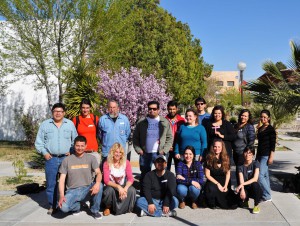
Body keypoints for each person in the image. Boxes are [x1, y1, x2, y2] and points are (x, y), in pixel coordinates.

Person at [35, 103, 77, 215]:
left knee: (68, 183)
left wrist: (72, 151)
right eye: (55, 111)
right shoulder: (45, 125)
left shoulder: (70, 124)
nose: (58, 113)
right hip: (51, 159)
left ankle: (67, 205)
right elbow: (39, 142)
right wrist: (44, 153)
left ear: (64, 113)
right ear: (52, 112)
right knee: (51, 184)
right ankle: (52, 206)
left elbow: (75, 140)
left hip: (66, 159)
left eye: (60, 111)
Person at [58, 136, 103, 219]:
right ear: (74, 146)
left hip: (87, 189)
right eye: (77, 145)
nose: (80, 148)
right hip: (72, 191)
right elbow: (62, 180)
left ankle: (94, 211)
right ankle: (77, 207)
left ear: (86, 146)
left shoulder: (91, 158)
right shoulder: (67, 160)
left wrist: (97, 183)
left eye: (82, 146)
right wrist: (61, 195)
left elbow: (99, 173)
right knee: (63, 207)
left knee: (99, 186)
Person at [133, 101, 173, 191]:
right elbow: (135, 137)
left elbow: (170, 138)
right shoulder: (141, 122)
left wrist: (164, 150)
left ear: (158, 110)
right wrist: (138, 150)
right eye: (150, 108)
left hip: (159, 153)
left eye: (154, 109)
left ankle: (161, 195)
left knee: (162, 175)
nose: (152, 110)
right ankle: (144, 195)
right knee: (145, 176)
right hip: (145, 153)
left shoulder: (164, 122)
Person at [102, 143, 136, 216]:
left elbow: (130, 179)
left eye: (120, 152)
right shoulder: (107, 163)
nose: (118, 154)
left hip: (123, 184)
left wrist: (125, 188)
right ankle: (108, 207)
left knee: (132, 190)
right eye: (116, 152)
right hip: (111, 185)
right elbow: (106, 180)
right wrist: (118, 187)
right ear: (112, 153)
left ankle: (127, 208)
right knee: (109, 191)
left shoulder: (126, 162)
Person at [204, 139, 237, 209]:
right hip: (213, 181)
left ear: (222, 148)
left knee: (231, 202)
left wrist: (225, 185)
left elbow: (228, 173)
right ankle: (212, 202)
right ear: (212, 147)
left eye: (219, 147)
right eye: (215, 146)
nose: (217, 148)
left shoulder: (226, 157)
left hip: (224, 181)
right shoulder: (208, 157)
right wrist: (218, 184)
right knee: (212, 189)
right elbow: (207, 175)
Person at [256, 109, 276, 202]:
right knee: (265, 176)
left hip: (266, 155)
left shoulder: (271, 129)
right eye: (261, 117)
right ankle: (267, 194)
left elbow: (273, 144)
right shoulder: (260, 128)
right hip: (259, 154)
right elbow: (260, 141)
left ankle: (267, 195)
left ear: (268, 118)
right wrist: (257, 129)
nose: (263, 118)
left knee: (260, 176)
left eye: (265, 117)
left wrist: (271, 156)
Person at [72, 98, 100, 164]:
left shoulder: (95, 119)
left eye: (87, 108)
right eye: (83, 108)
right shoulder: (76, 120)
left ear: (90, 108)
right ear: (80, 108)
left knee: (94, 173)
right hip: (80, 152)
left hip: (93, 152)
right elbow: (72, 136)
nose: (85, 110)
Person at [236, 146, 262, 214]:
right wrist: (242, 190)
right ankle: (246, 200)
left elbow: (255, 179)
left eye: (250, 153)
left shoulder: (256, 163)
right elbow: (241, 179)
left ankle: (256, 205)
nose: (247, 155)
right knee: (238, 203)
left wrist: (241, 185)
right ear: (243, 154)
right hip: (246, 188)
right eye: (246, 152)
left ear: (253, 155)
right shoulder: (240, 166)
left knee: (255, 184)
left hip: (254, 188)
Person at [232, 109, 255, 183]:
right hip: (236, 153)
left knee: (240, 172)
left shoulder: (249, 127)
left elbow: (251, 141)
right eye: (242, 115)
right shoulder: (236, 125)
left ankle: (242, 190)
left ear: (248, 118)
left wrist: (247, 153)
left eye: (245, 116)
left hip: (243, 153)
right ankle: (240, 190)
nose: (243, 117)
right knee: (238, 171)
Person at [165, 100, 185, 170]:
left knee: (179, 168)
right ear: (167, 109)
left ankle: (178, 181)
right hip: (167, 148)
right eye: (170, 109)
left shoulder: (182, 120)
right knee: (166, 168)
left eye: (174, 109)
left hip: (178, 149)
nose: (172, 111)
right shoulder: (164, 120)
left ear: (177, 109)